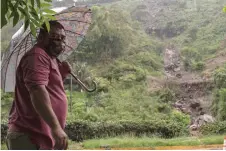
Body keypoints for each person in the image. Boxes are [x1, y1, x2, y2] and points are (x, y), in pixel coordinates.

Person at [6, 21, 71, 150]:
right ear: (41, 37)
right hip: (30, 136)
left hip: (41, 136)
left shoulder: (49, 57)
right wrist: (55, 127)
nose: (59, 40)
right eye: (54, 36)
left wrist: (62, 74)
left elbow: (50, 89)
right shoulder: (37, 56)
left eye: (62, 37)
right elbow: (37, 91)